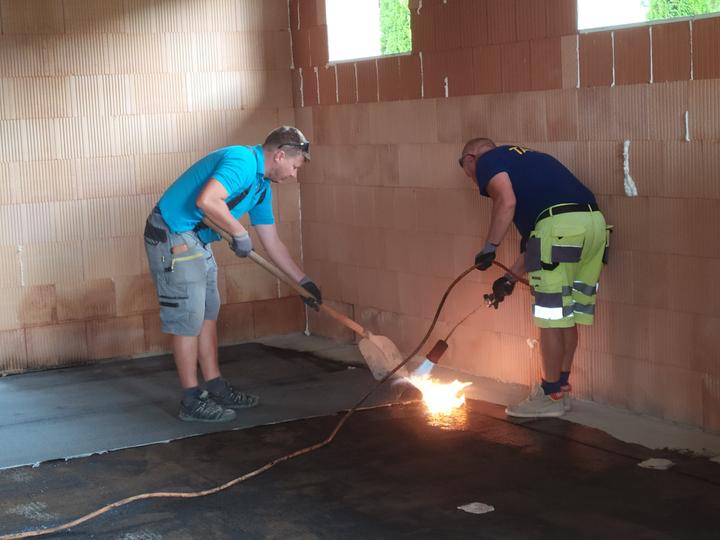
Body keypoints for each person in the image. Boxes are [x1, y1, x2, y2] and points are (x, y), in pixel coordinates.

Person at [144, 126, 322, 422]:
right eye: (294, 166)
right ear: (280, 155)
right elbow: (207, 200)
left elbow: (272, 242)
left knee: (208, 312)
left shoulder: (261, 187)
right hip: (172, 232)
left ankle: (215, 386)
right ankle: (191, 399)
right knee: (188, 318)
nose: (294, 174)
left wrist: (303, 282)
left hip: (196, 238)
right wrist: (239, 232)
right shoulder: (243, 161)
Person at [459, 138, 609, 418]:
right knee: (565, 314)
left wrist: (490, 247)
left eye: (466, 170)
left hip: (559, 228)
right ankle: (560, 389)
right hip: (594, 227)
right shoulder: (528, 161)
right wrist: (509, 279)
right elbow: (535, 244)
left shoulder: (488, 159)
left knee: (550, 317)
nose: (473, 178)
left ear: (470, 158)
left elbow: (506, 202)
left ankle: (549, 396)